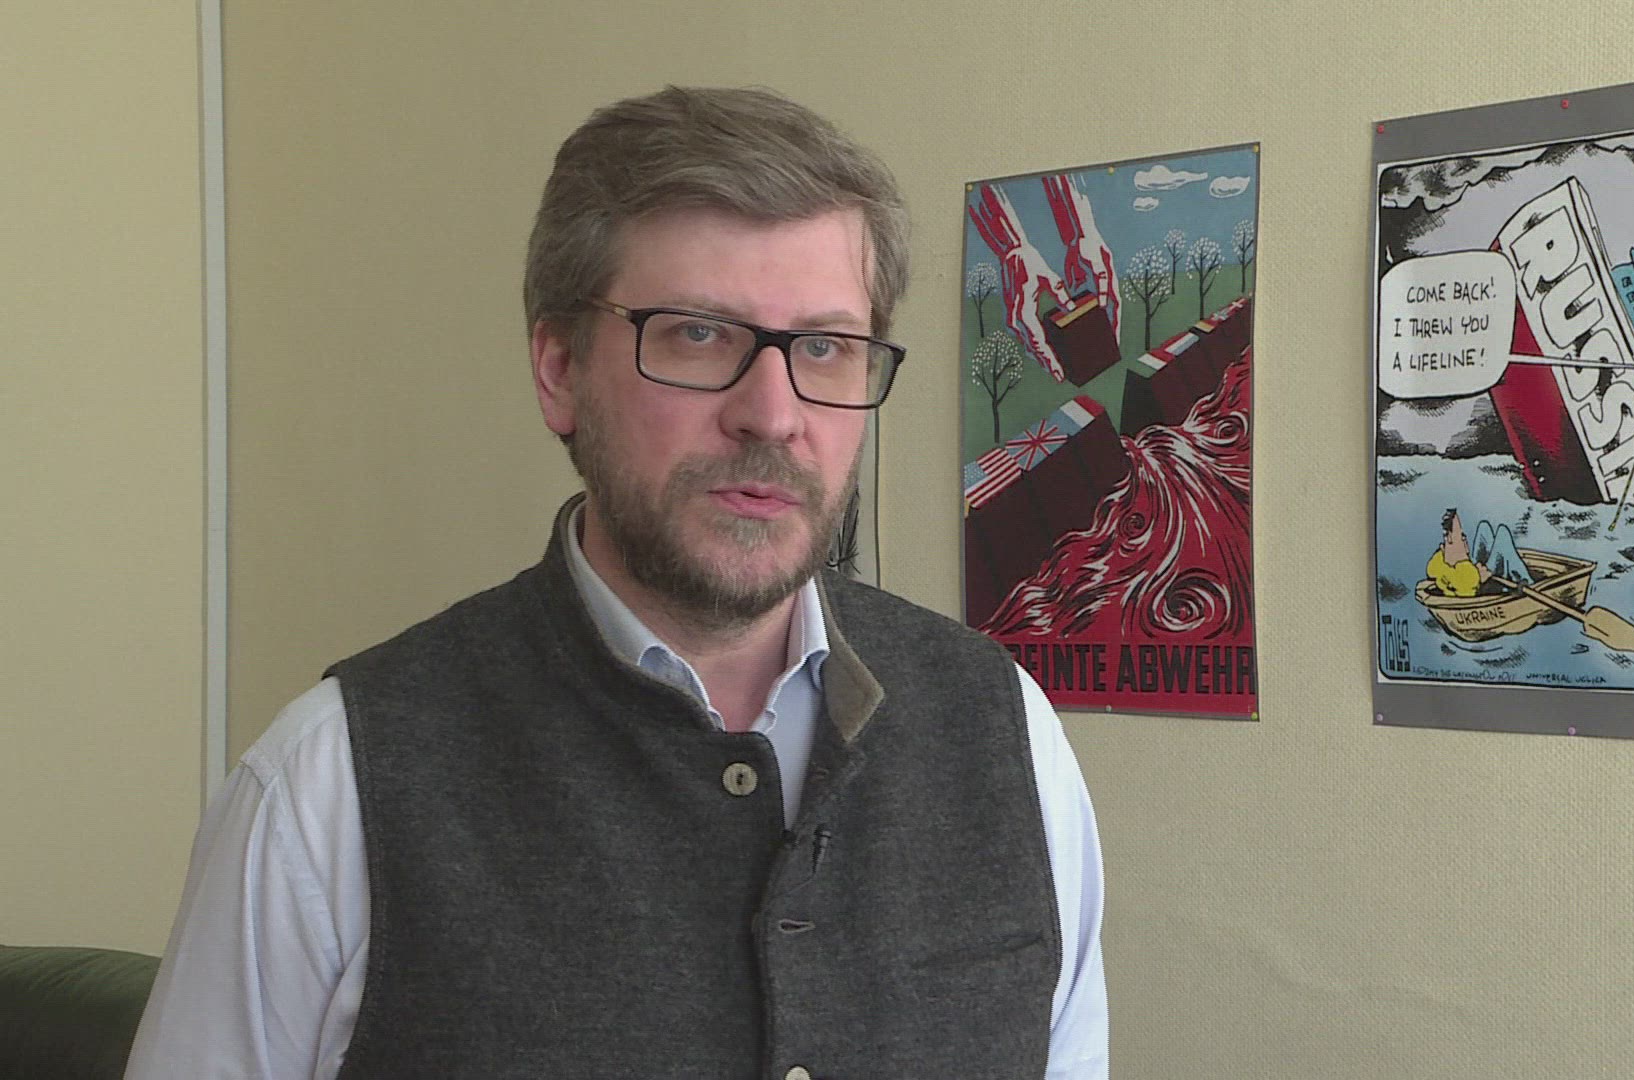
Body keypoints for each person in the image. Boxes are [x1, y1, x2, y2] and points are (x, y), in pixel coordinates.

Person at [126, 87, 1107, 1079]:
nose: (773, 414)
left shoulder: (1008, 735)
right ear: (559, 369)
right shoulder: (325, 790)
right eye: (698, 334)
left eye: (824, 347)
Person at [1427, 507, 1533, 597]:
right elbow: (1465, 590)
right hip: (1484, 587)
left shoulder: (1441, 557)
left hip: (1473, 573)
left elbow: (1438, 572)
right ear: (1450, 538)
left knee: (1484, 526)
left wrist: (1476, 570)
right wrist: (1479, 577)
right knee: (1503, 533)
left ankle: (1516, 572)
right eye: (1461, 536)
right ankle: (1526, 580)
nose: (1464, 539)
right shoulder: (1457, 567)